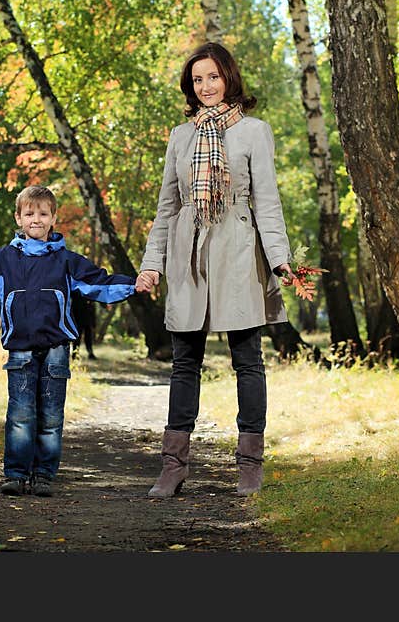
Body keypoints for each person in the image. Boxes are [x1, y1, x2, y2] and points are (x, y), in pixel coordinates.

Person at [135, 43, 293, 497]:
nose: (206, 86)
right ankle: (173, 466)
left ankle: (249, 466)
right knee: (184, 362)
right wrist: (152, 265)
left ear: (229, 79)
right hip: (189, 254)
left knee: (248, 359)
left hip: (240, 251)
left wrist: (280, 259)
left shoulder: (254, 132)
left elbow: (267, 201)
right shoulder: (181, 136)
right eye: (198, 79)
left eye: (213, 77)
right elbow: (166, 208)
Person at [0, 186, 136, 496]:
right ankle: (16, 473)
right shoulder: (1, 261)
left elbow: (99, 283)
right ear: (18, 217)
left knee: (51, 415)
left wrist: (135, 284)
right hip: (20, 348)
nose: (36, 219)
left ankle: (44, 474)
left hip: (57, 349)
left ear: (54, 218)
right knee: (20, 413)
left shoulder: (68, 262)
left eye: (43, 213)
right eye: (29, 213)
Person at [70, 290, 97, 359]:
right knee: (77, 337)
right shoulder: (75, 290)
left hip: (88, 317)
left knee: (88, 337)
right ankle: (75, 354)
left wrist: (93, 322)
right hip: (77, 317)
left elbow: (93, 306)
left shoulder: (90, 290)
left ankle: (90, 353)